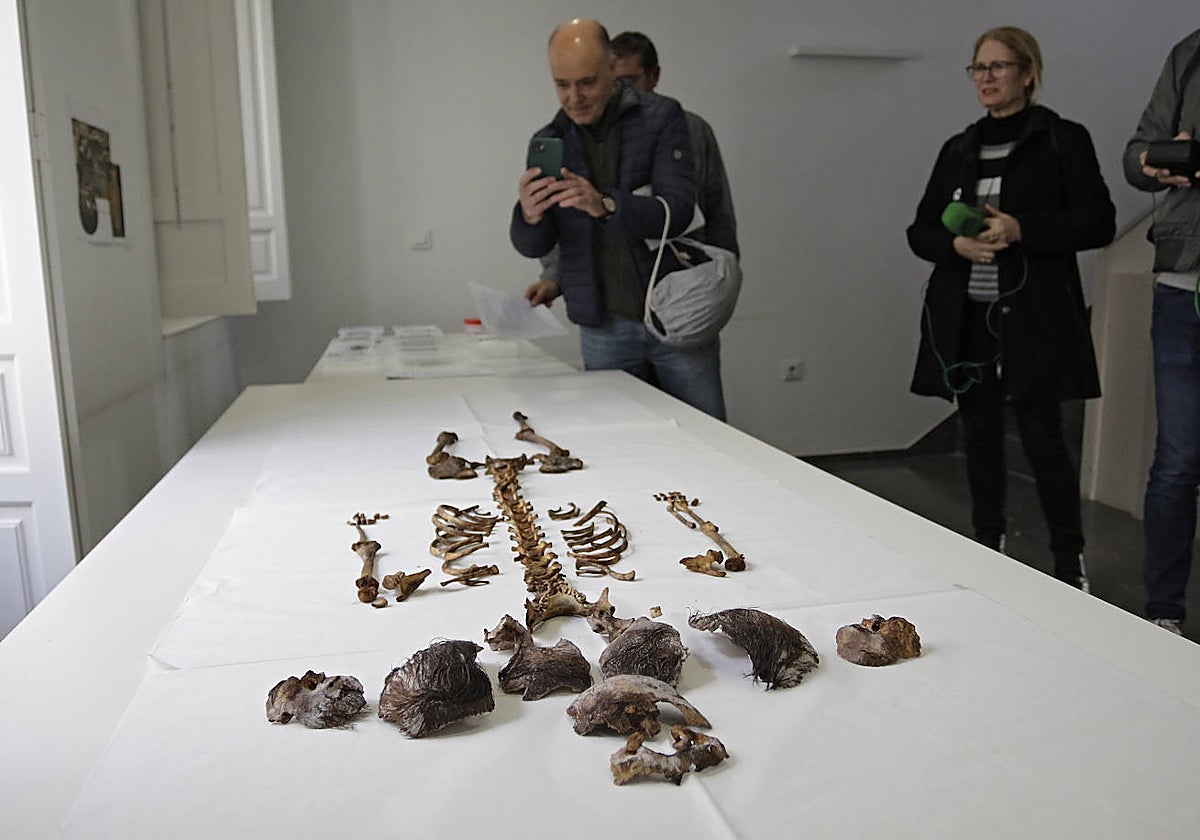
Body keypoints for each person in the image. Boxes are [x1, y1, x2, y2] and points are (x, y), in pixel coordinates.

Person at [906, 26, 1115, 590]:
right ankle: (987, 547)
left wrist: (1025, 228)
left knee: (1044, 439)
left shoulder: (1061, 140)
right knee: (978, 437)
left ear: (1028, 72)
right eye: (978, 68)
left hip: (1037, 321)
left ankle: (1069, 563)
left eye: (998, 67)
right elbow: (920, 231)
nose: (987, 79)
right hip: (969, 321)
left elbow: (1098, 221)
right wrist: (957, 245)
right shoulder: (959, 146)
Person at [511, 19, 726, 421]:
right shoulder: (550, 138)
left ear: (612, 68)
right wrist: (528, 215)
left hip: (675, 311)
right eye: (562, 84)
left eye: (587, 82)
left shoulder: (663, 118)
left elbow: (677, 212)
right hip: (602, 323)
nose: (573, 97)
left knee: (705, 438)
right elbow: (533, 245)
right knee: (620, 448)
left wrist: (606, 205)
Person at [1123, 28, 1200, 636]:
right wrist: (1156, 161)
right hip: (1181, 282)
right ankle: (1164, 613)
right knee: (1177, 461)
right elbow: (1135, 155)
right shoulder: (1189, 51)